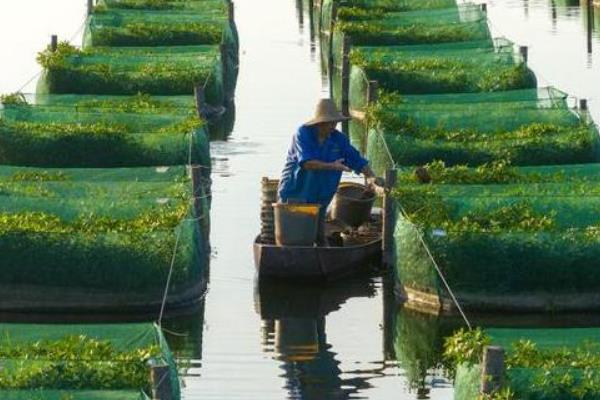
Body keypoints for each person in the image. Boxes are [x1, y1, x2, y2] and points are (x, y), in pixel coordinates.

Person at [278, 99, 380, 245]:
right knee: (293, 238)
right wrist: (332, 166)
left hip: (321, 196)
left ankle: (322, 249)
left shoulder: (339, 139)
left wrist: (370, 176)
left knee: (319, 236)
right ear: (319, 123)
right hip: (295, 193)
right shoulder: (303, 134)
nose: (333, 126)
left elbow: (355, 159)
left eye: (335, 122)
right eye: (330, 122)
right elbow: (307, 163)